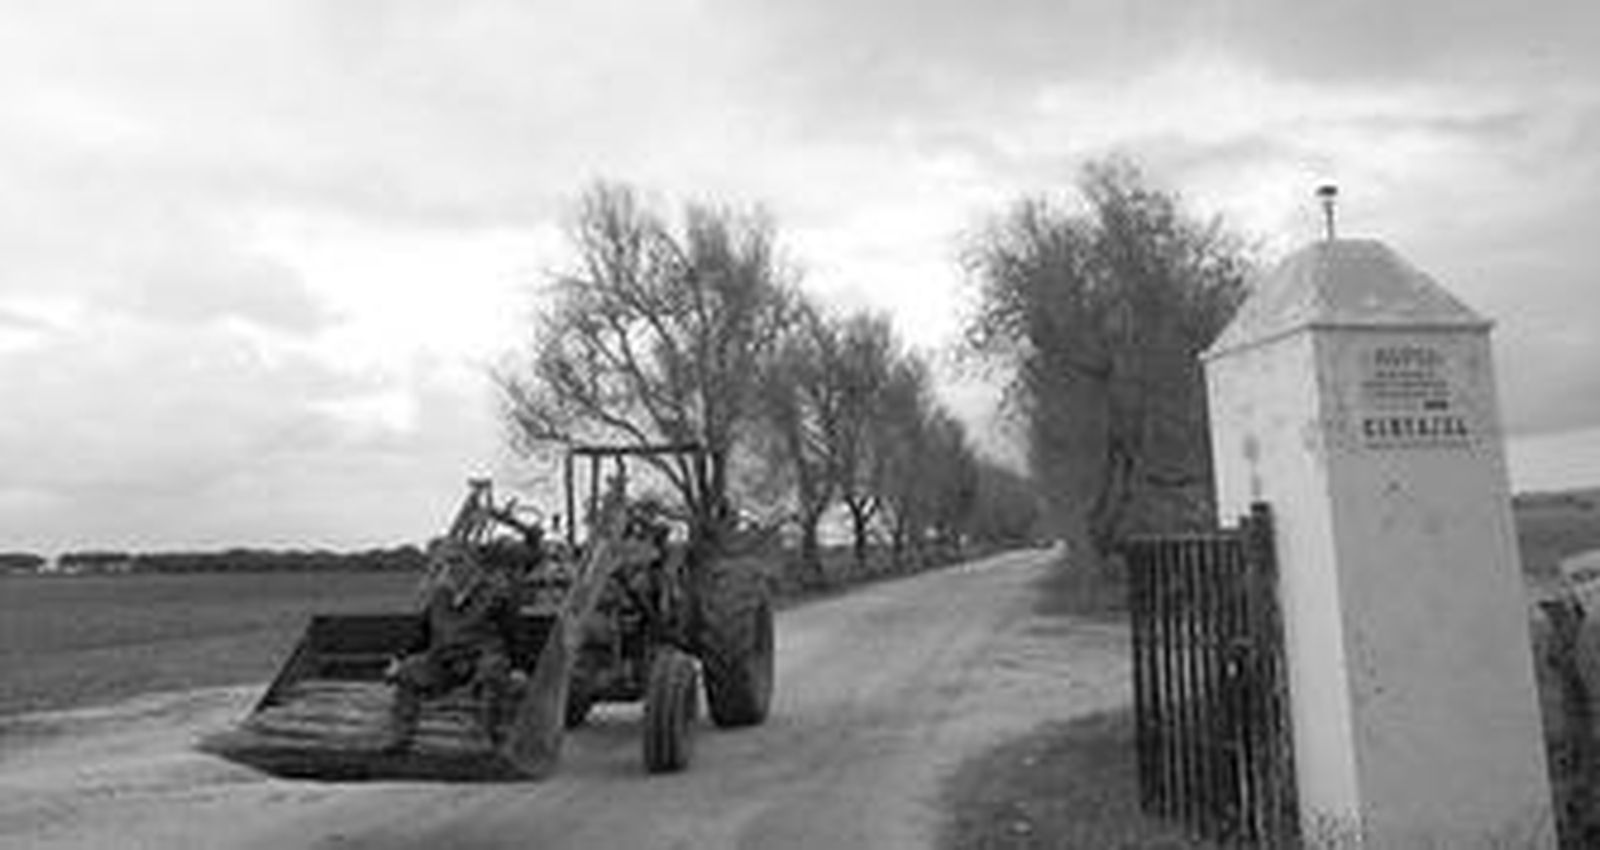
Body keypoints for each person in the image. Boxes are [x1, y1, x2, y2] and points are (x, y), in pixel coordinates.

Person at [381, 538, 519, 753]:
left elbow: (512, 634)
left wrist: (520, 667)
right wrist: (398, 660)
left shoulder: (496, 596)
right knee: (409, 670)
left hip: (479, 658)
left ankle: (485, 737)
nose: (452, 568)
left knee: (492, 669)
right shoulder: (439, 597)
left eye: (458, 561)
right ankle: (400, 739)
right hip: (443, 659)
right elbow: (421, 635)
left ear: (474, 564)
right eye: (448, 563)